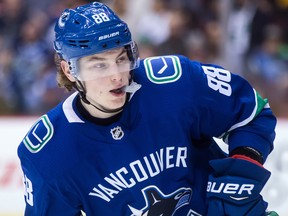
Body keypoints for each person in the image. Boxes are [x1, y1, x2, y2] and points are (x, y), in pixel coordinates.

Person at [17, 2, 278, 216]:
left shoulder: (176, 82)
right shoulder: (49, 153)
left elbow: (250, 114)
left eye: (121, 59)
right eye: (99, 65)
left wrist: (241, 171)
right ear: (69, 71)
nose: (117, 76)